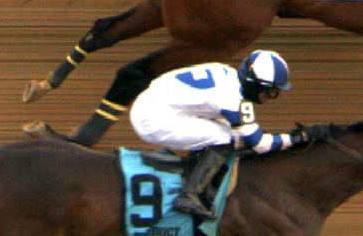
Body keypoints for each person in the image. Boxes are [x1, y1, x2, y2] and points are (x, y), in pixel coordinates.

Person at [128, 49, 303, 219]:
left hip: (156, 103)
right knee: (224, 137)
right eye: (270, 92)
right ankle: (190, 195)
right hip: (151, 118)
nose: (272, 97)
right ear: (254, 85)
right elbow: (259, 144)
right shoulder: (232, 100)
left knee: (230, 132)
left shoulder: (229, 74)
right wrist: (296, 138)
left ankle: (194, 170)